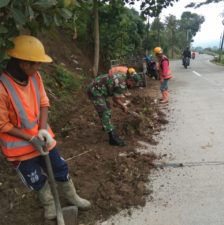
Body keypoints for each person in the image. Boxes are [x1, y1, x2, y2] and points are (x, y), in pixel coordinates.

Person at [0, 35, 91, 220]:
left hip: (43, 139)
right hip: (20, 150)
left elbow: (43, 103)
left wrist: (41, 130)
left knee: (60, 167)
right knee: (36, 180)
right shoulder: (2, 87)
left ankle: (72, 197)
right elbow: (2, 124)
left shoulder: (35, 77)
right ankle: (50, 204)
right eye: (36, 64)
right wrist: (30, 139)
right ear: (24, 64)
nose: (39, 68)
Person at [87, 66, 134, 146]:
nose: (133, 85)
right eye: (133, 83)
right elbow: (115, 100)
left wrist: (120, 105)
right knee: (104, 111)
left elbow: (115, 98)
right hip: (95, 91)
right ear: (130, 80)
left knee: (107, 107)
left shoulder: (124, 77)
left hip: (101, 90)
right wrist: (123, 106)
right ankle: (112, 138)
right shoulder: (122, 83)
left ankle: (106, 125)